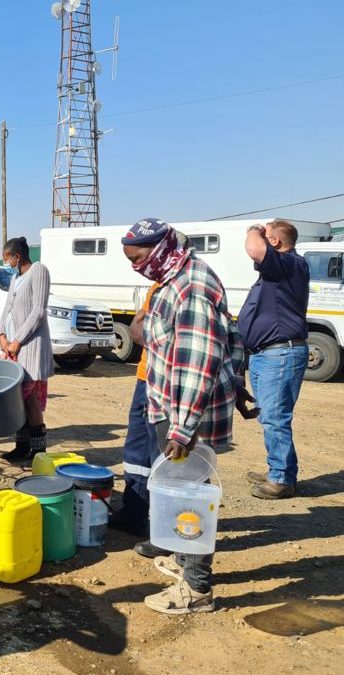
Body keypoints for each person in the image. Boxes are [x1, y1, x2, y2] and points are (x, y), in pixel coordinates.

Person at [122, 217, 251, 614]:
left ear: (160, 248)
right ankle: (183, 560)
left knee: (189, 495)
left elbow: (198, 362)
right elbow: (226, 342)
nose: (135, 265)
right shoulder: (171, 279)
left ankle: (196, 589)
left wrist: (181, 429)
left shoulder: (192, 284)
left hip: (184, 415)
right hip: (171, 407)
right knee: (177, 494)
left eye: (138, 257)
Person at [238, 220, 310, 499]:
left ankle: (281, 478)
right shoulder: (280, 268)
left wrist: (252, 230)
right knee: (272, 416)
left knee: (275, 417)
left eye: (267, 237)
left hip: (279, 352)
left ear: (276, 242)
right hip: (267, 353)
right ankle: (280, 471)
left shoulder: (289, 263)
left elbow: (255, 250)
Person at [108, 283, 161, 537]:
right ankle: (134, 514)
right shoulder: (157, 286)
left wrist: (141, 323)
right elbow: (136, 325)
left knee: (162, 455)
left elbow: (140, 329)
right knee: (137, 451)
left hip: (163, 381)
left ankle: (166, 528)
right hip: (145, 376)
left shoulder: (180, 285)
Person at [0, 237, 53, 461]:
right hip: (13, 347)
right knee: (18, 398)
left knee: (31, 399)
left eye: (7, 260)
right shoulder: (16, 279)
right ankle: (21, 447)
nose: (6, 264)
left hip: (30, 346)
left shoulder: (38, 271)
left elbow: (38, 311)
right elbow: (7, 309)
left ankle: (38, 450)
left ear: (17, 257)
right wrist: (1, 334)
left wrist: (17, 339)